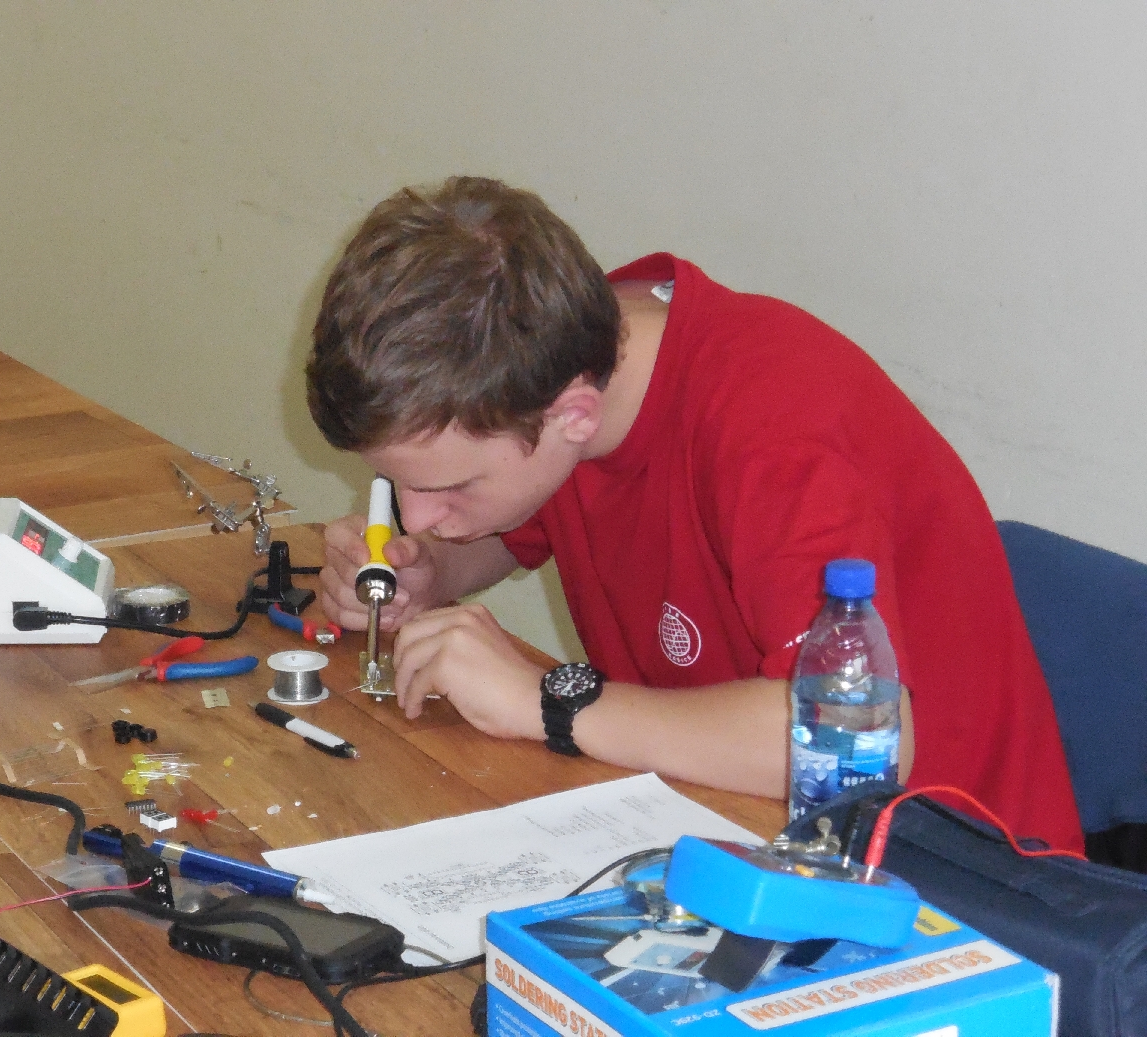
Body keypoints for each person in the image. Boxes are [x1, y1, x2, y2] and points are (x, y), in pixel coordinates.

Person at [305, 176, 1084, 853]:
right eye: (398, 484)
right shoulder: (556, 356)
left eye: (450, 487)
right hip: (722, 821)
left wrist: (548, 703)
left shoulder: (777, 427)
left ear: (573, 415)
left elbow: (855, 740)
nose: (417, 515)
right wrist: (434, 572)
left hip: (948, 883)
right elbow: (521, 524)